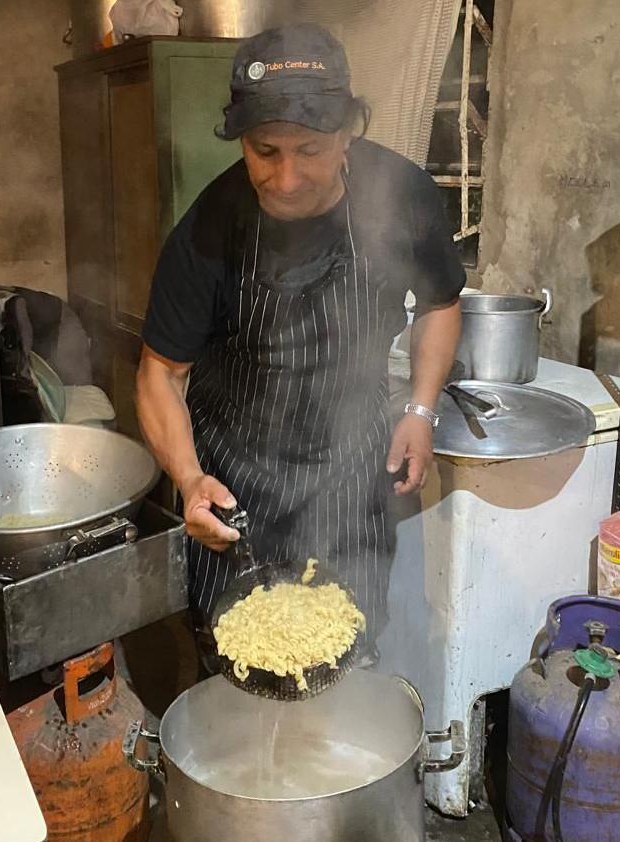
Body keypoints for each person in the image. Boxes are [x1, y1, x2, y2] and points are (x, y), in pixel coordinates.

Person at [136, 23, 465, 656]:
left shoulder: (402, 199)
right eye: (265, 151)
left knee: (350, 648)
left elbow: (441, 303)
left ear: (347, 133)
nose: (285, 179)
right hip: (233, 477)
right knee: (232, 656)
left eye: (310, 150)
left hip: (351, 471)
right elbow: (160, 374)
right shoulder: (206, 230)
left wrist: (421, 409)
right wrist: (187, 478)